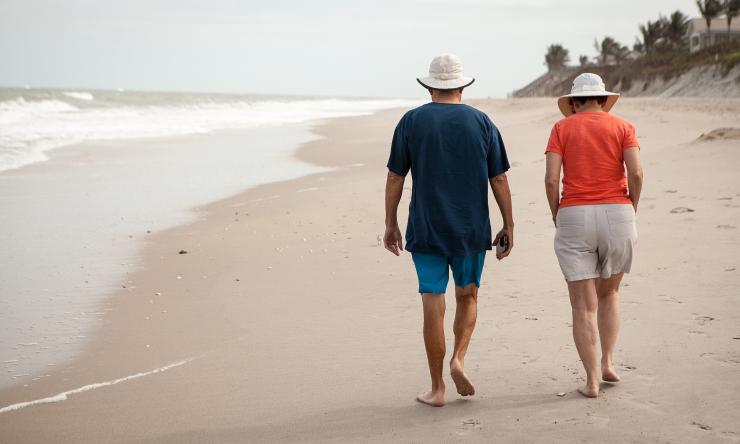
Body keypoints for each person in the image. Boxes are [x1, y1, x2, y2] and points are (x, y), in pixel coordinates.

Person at [384, 54, 514, 407]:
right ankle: (458, 358)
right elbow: (498, 177)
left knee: (432, 300)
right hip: (471, 229)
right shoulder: (482, 122)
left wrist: (390, 222)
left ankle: (437, 387)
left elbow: (396, 175)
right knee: (468, 296)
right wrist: (509, 224)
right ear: (462, 86)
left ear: (429, 86)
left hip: (426, 227)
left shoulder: (411, 122)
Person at [544, 73, 644, 398]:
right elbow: (637, 172)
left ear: (574, 102)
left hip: (574, 213)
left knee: (582, 305)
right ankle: (609, 362)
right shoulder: (623, 127)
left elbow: (550, 180)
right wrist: (632, 206)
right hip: (618, 212)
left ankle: (590, 381)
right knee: (609, 293)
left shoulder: (561, 128)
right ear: (603, 99)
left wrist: (557, 214)